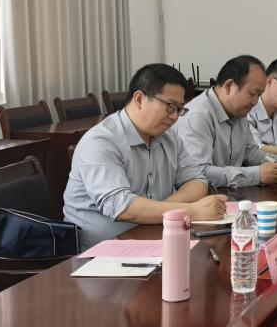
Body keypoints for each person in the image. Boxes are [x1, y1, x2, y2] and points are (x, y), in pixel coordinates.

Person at [63, 63, 227, 247]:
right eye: (170, 106)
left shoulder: (169, 138)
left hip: (152, 238)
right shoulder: (101, 142)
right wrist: (190, 211)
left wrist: (160, 210)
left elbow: (197, 181)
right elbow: (121, 207)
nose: (175, 117)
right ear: (140, 99)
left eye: (180, 109)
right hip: (100, 251)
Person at [177, 54, 277, 188]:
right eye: (252, 93)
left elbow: (250, 152)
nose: (255, 102)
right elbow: (199, 173)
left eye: (259, 95)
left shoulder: (239, 111)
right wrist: (257, 175)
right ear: (229, 86)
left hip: (231, 194)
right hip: (204, 197)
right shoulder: (197, 116)